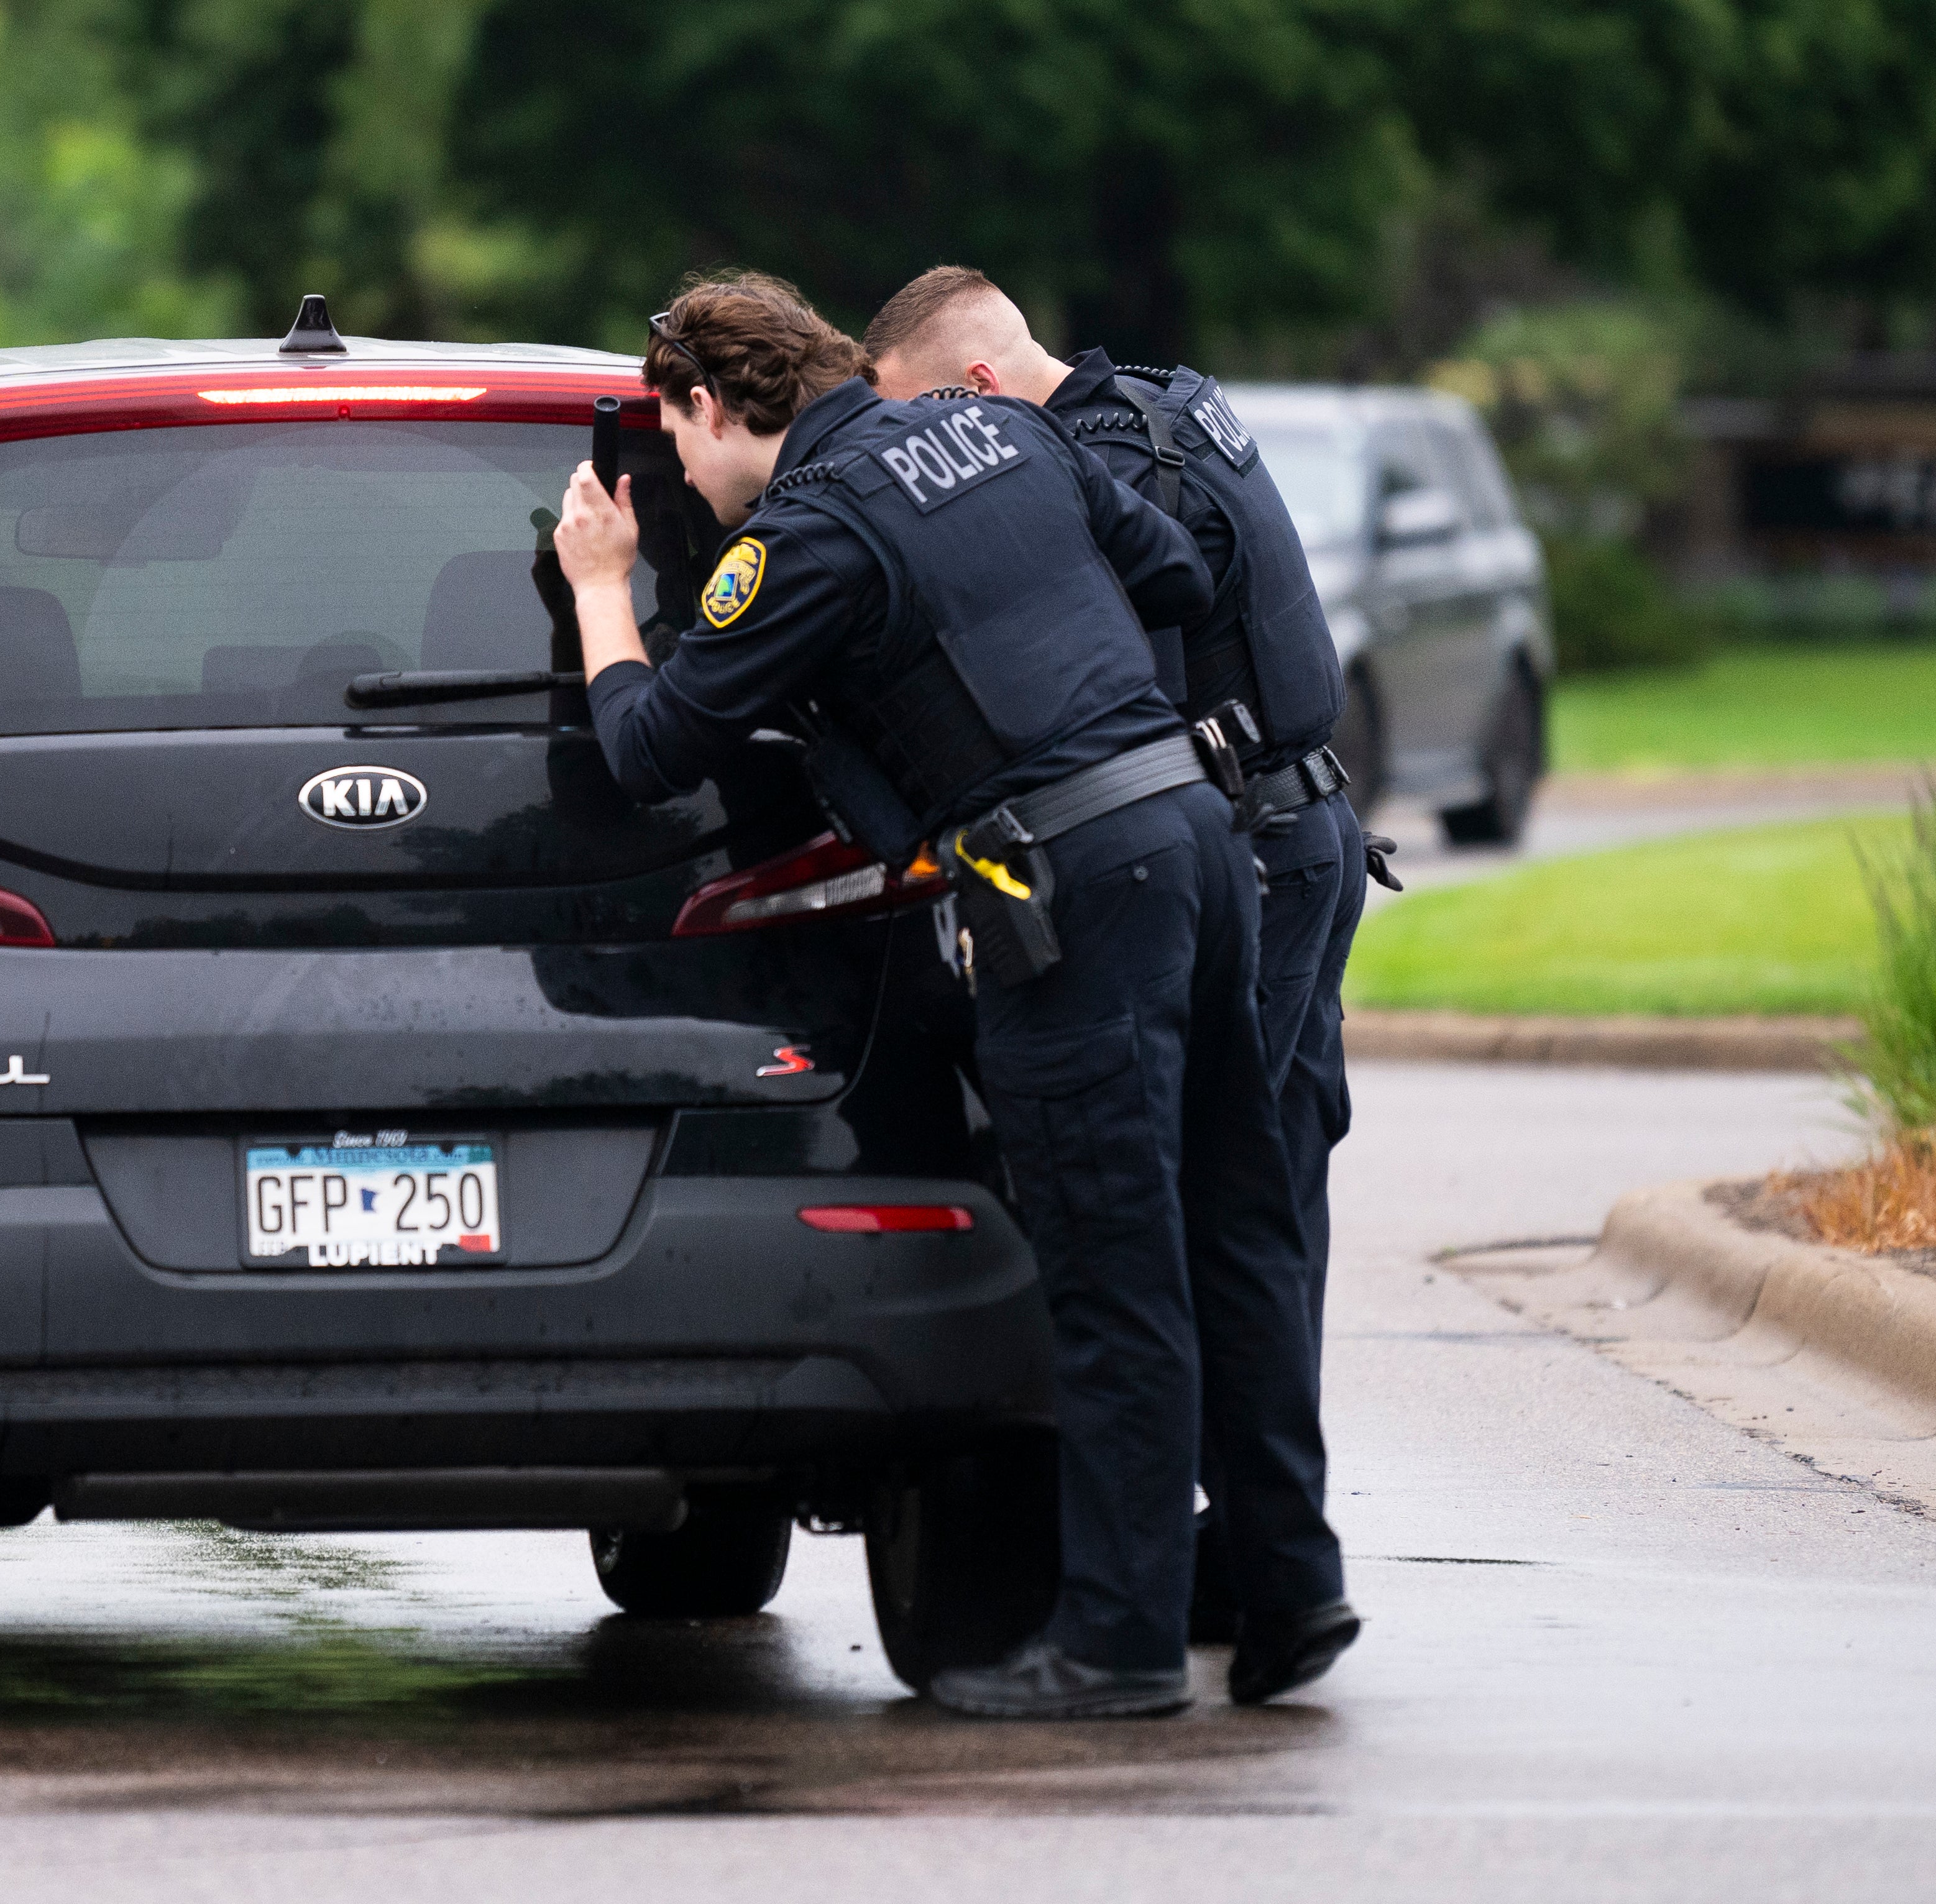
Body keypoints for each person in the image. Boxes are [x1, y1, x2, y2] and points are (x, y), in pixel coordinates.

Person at [553, 271, 1352, 1716]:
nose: (685, 479)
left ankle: (1114, 1647)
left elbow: (656, 741)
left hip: (1067, 886)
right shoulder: (1011, 436)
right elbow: (1172, 575)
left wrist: (608, 589)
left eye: (679, 450)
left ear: (712, 407)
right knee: (1238, 1230)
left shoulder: (803, 537)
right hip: (1196, 846)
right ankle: (1289, 1588)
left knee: (1114, 1276)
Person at [868, 267, 1379, 1649]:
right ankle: (1263, 1557)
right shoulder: (1167, 403)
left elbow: (1104, 691)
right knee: (1263, 1199)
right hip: (1307, 828)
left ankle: (1209, 1565)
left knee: (1200, 1215)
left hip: (1243, 851)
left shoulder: (1094, 467)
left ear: (977, 391)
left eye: (923, 425)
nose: (932, 466)